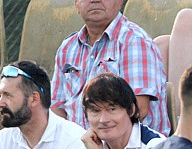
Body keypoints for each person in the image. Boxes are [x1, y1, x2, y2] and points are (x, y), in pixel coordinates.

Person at [50, 0, 169, 134]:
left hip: (127, 142)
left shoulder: (133, 41)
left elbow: (138, 110)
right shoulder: (67, 48)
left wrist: (92, 140)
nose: (95, 0)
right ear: (76, 4)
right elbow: (56, 108)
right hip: (76, 142)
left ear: (120, 2)